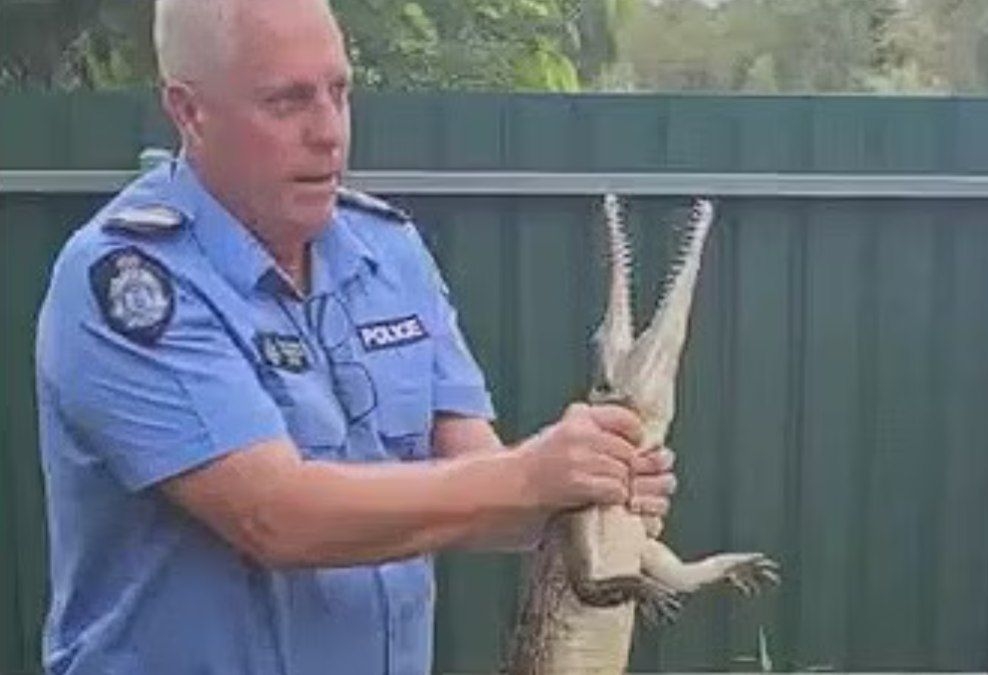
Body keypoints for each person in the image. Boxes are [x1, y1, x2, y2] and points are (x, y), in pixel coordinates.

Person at [33, 0, 677, 673]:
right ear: (189, 111)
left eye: (339, 91)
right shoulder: (128, 284)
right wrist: (530, 477)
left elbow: (489, 494)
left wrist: (589, 490)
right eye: (286, 101)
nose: (328, 131)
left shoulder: (389, 253)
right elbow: (273, 515)